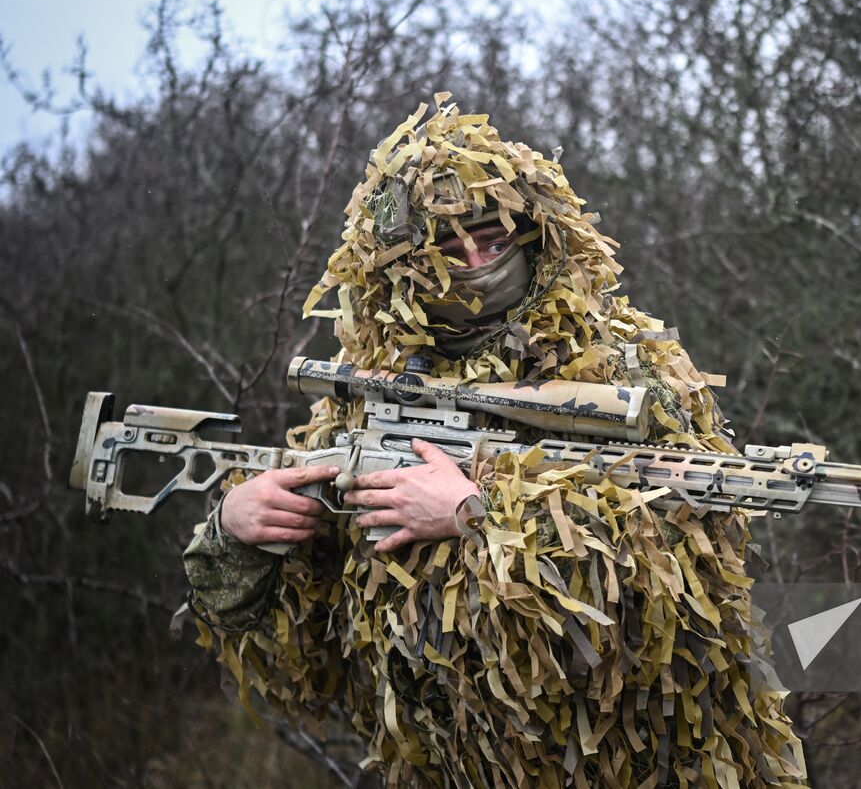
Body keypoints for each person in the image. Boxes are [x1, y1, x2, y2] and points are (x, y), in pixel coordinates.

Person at [183, 95, 808, 788]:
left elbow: (677, 596)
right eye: (447, 248)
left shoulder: (626, 373)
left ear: (533, 234)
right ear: (400, 267)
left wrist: (474, 516)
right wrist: (235, 537)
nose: (476, 262)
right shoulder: (366, 404)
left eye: (492, 237)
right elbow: (302, 676)